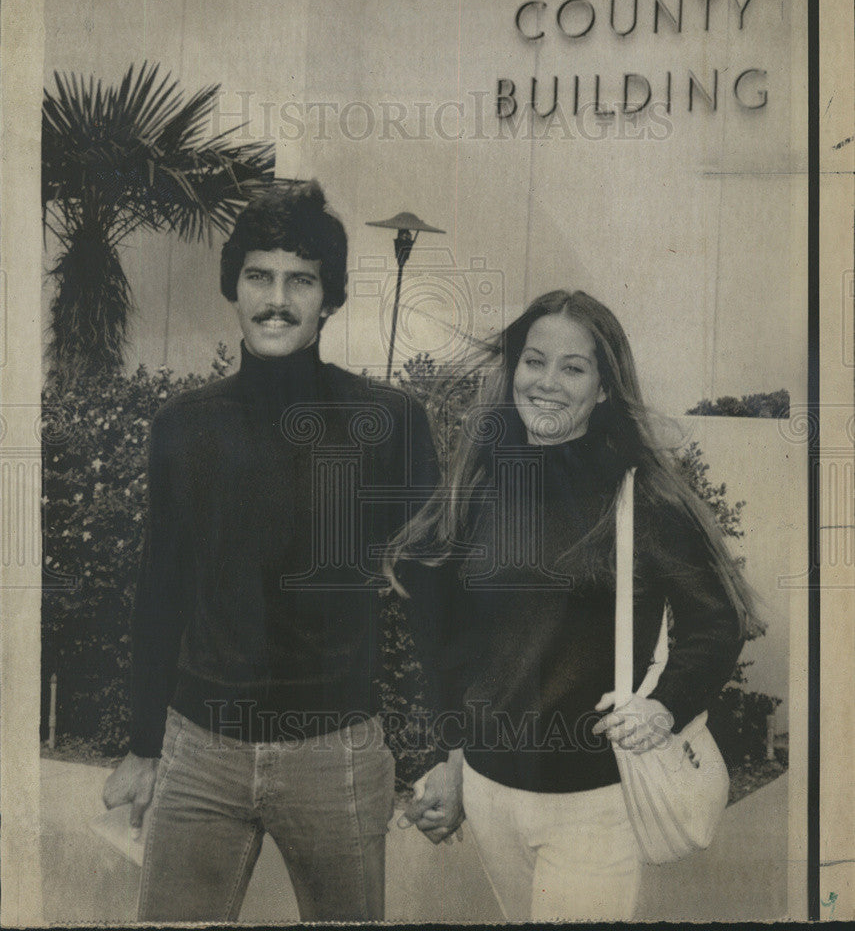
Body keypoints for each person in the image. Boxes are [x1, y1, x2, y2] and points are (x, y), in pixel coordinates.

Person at [102, 180, 438, 921]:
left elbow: (435, 600)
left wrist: (449, 751)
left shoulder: (391, 422)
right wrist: (142, 743)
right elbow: (160, 590)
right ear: (234, 287)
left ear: (329, 297)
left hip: (337, 757)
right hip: (199, 752)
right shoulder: (183, 427)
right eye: (258, 275)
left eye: (300, 280)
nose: (276, 298)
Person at [386, 289, 757, 921]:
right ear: (514, 371)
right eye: (534, 362)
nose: (547, 383)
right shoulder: (480, 484)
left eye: (573, 367)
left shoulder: (643, 494)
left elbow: (716, 621)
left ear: (605, 388)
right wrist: (451, 762)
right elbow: (449, 644)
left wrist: (665, 706)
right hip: (490, 790)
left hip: (596, 803)